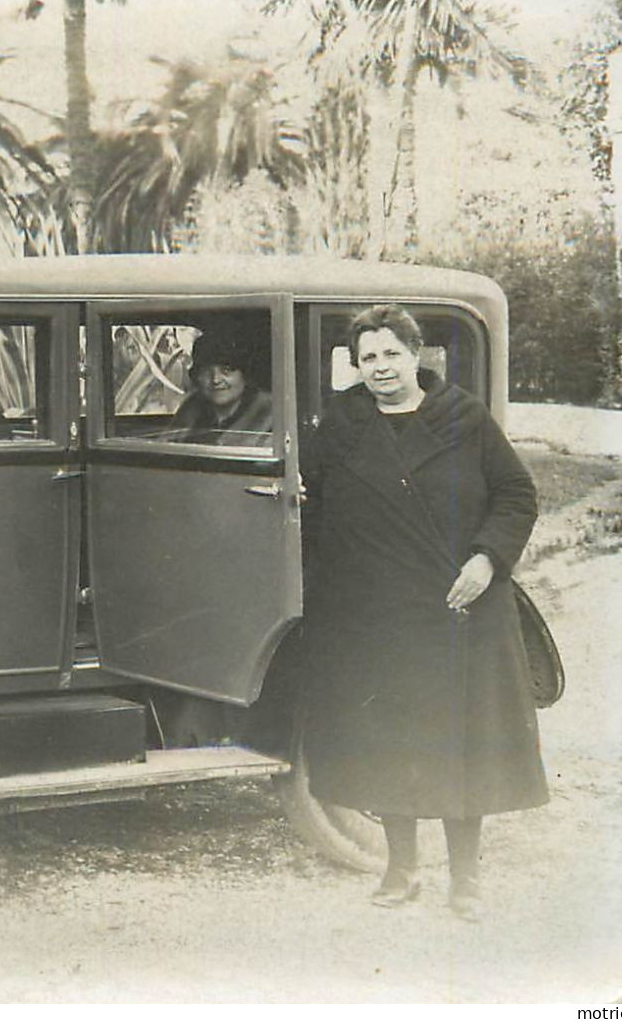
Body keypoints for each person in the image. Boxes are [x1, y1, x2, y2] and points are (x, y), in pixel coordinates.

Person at [302, 304, 545, 922]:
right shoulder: (340, 425)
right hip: (376, 616)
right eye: (367, 358)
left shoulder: (464, 418)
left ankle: (465, 880)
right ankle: (402, 868)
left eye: (391, 354)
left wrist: (488, 560)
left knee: (458, 744)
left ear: (416, 355)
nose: (380, 368)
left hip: (456, 606)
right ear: (354, 367)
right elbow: (314, 502)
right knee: (388, 742)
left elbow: (517, 493)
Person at [167, 331, 273, 446]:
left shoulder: (269, 413)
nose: (215, 380)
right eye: (206, 372)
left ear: (244, 374)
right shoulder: (191, 408)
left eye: (226, 371)